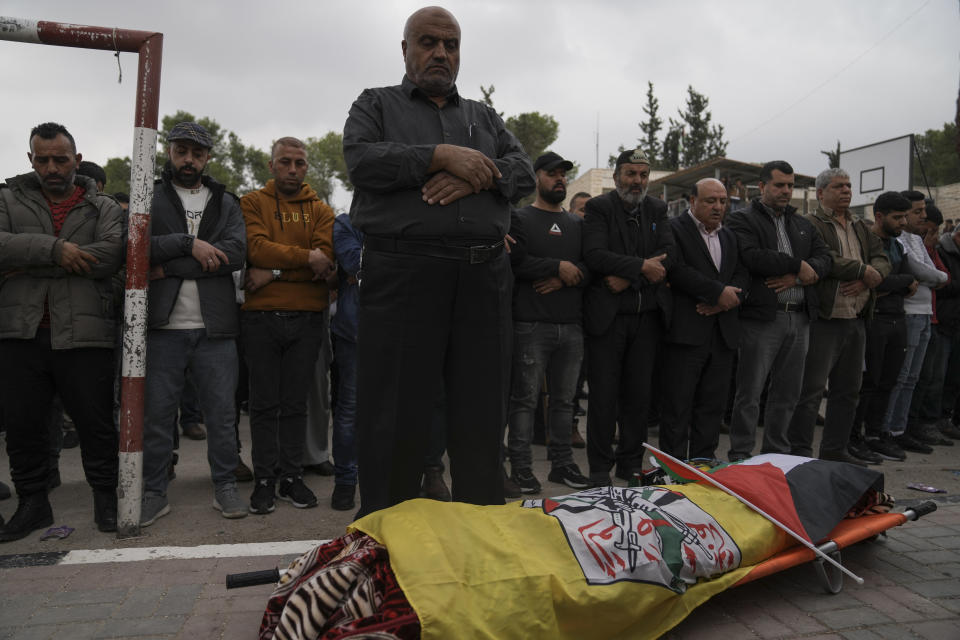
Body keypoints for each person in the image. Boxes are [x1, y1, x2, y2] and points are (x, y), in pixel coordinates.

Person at [343, 6, 535, 517]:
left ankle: (481, 537)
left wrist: (477, 173)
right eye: (428, 42)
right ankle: (387, 539)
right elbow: (362, 160)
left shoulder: (484, 116)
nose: (441, 53)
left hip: (484, 276)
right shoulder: (375, 104)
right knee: (394, 417)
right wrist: (439, 156)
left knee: (481, 413)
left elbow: (523, 173)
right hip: (404, 276)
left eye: (451, 44)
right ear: (405, 48)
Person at [0, 122, 123, 541]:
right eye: (42, 159)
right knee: (23, 426)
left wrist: (28, 258)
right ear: (30, 159)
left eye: (60, 159)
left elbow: (110, 255)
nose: (52, 167)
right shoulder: (6, 198)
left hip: (84, 334)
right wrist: (58, 250)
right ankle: (33, 503)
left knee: (95, 424)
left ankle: (106, 498)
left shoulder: (102, 205)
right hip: (21, 331)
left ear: (77, 159)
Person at [140, 122, 248, 526]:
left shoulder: (226, 201)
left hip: (215, 328)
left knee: (221, 415)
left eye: (197, 153)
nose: (189, 159)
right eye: (182, 150)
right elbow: (136, 248)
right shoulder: (148, 196)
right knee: (157, 416)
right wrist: (190, 244)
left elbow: (236, 254)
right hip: (162, 327)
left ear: (207, 158)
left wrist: (167, 266)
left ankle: (225, 486)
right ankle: (153, 491)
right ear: (169, 151)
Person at [240, 136, 336, 515]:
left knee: (297, 403)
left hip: (308, 318)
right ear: (271, 165)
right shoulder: (251, 203)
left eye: (299, 163)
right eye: (285, 162)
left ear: (306, 167)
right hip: (261, 318)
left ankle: (292, 477)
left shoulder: (322, 210)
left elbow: (325, 264)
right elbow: (255, 249)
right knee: (263, 404)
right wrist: (301, 260)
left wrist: (274, 272)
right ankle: (264, 479)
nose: (292, 169)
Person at [725, 161, 832, 461]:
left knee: (787, 394)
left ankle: (776, 456)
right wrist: (798, 265)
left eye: (790, 185)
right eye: (779, 185)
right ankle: (742, 456)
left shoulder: (802, 224)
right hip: (762, 319)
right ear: (761, 187)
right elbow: (753, 257)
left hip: (799, 318)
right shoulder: (742, 220)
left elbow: (825, 259)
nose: (786, 191)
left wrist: (797, 276)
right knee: (750, 392)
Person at [582, 148, 677, 486]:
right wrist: (640, 266)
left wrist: (628, 275)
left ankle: (630, 465)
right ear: (617, 176)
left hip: (647, 320)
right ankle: (598, 468)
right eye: (631, 174)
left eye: (643, 175)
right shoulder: (598, 208)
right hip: (609, 319)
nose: (637, 181)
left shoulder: (657, 209)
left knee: (638, 398)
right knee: (604, 397)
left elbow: (668, 255)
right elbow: (594, 254)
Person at [783, 169, 890, 465]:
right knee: (811, 392)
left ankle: (834, 450)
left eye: (849, 185)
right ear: (820, 193)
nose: (846, 191)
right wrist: (860, 271)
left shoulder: (859, 225)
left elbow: (881, 256)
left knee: (848, 391)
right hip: (825, 319)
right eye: (838, 186)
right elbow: (825, 258)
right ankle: (800, 454)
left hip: (856, 318)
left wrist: (873, 275)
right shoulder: (810, 223)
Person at [506, 152, 590, 492]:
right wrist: (557, 267)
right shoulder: (519, 218)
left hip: (571, 326)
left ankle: (562, 465)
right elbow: (516, 262)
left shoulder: (577, 224)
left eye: (563, 175)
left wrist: (566, 276)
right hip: (530, 325)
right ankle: (522, 469)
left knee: (564, 401)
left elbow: (590, 266)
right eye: (551, 173)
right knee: (524, 400)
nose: (559, 179)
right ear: (536, 177)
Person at [660, 178, 748, 461]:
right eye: (711, 201)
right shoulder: (673, 229)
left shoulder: (729, 236)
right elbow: (676, 270)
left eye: (722, 201)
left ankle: (703, 465)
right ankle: (672, 470)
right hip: (686, 334)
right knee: (678, 407)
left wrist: (724, 302)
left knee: (712, 406)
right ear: (692, 201)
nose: (718, 207)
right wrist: (716, 293)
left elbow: (742, 274)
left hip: (722, 335)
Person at [851, 192, 918, 461]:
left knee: (888, 381)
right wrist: (902, 282)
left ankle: (876, 435)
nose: (903, 222)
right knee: (869, 382)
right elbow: (877, 281)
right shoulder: (867, 243)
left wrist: (898, 283)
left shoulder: (898, 246)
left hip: (897, 318)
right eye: (897, 217)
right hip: (874, 318)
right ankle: (855, 438)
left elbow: (907, 281)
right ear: (879, 216)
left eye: (905, 216)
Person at [882, 191, 948, 453]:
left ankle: (900, 428)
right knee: (900, 375)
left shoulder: (917, 240)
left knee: (913, 377)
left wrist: (938, 276)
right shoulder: (901, 241)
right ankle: (886, 429)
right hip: (908, 312)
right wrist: (940, 277)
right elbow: (919, 271)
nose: (923, 216)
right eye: (918, 211)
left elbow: (933, 272)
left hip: (924, 312)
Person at [904, 203, 954, 447]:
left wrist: (938, 279)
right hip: (920, 316)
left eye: (934, 232)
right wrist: (938, 279)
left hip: (932, 317)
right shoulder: (911, 244)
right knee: (916, 378)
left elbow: (940, 275)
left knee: (928, 377)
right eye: (929, 231)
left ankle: (917, 424)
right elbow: (932, 276)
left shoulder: (927, 250)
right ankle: (906, 426)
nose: (931, 237)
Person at [329, 212, 363, 510]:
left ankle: (391, 479)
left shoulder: (406, 220)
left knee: (396, 410)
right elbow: (354, 264)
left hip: (400, 330)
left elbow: (420, 266)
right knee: (349, 410)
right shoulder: (345, 223)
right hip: (354, 331)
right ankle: (346, 481)